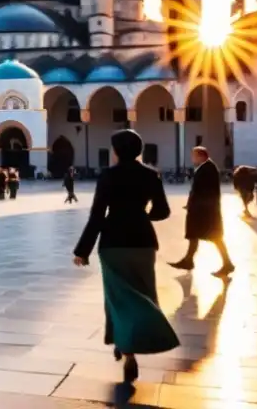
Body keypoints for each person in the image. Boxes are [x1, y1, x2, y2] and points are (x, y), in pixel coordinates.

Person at [72, 129, 179, 383]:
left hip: (113, 242)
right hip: (143, 242)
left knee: (117, 297)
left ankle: (127, 348)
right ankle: (126, 341)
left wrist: (82, 250)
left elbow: (97, 215)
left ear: (118, 150)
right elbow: (162, 210)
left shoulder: (108, 176)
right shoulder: (151, 175)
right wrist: (141, 217)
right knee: (142, 294)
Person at [170, 147, 235, 277]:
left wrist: (195, 204)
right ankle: (188, 260)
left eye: (194, 155)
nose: (192, 158)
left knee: (214, 237)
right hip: (201, 209)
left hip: (204, 211)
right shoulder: (206, 167)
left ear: (201, 155)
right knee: (195, 235)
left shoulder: (207, 168)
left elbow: (204, 190)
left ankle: (227, 263)